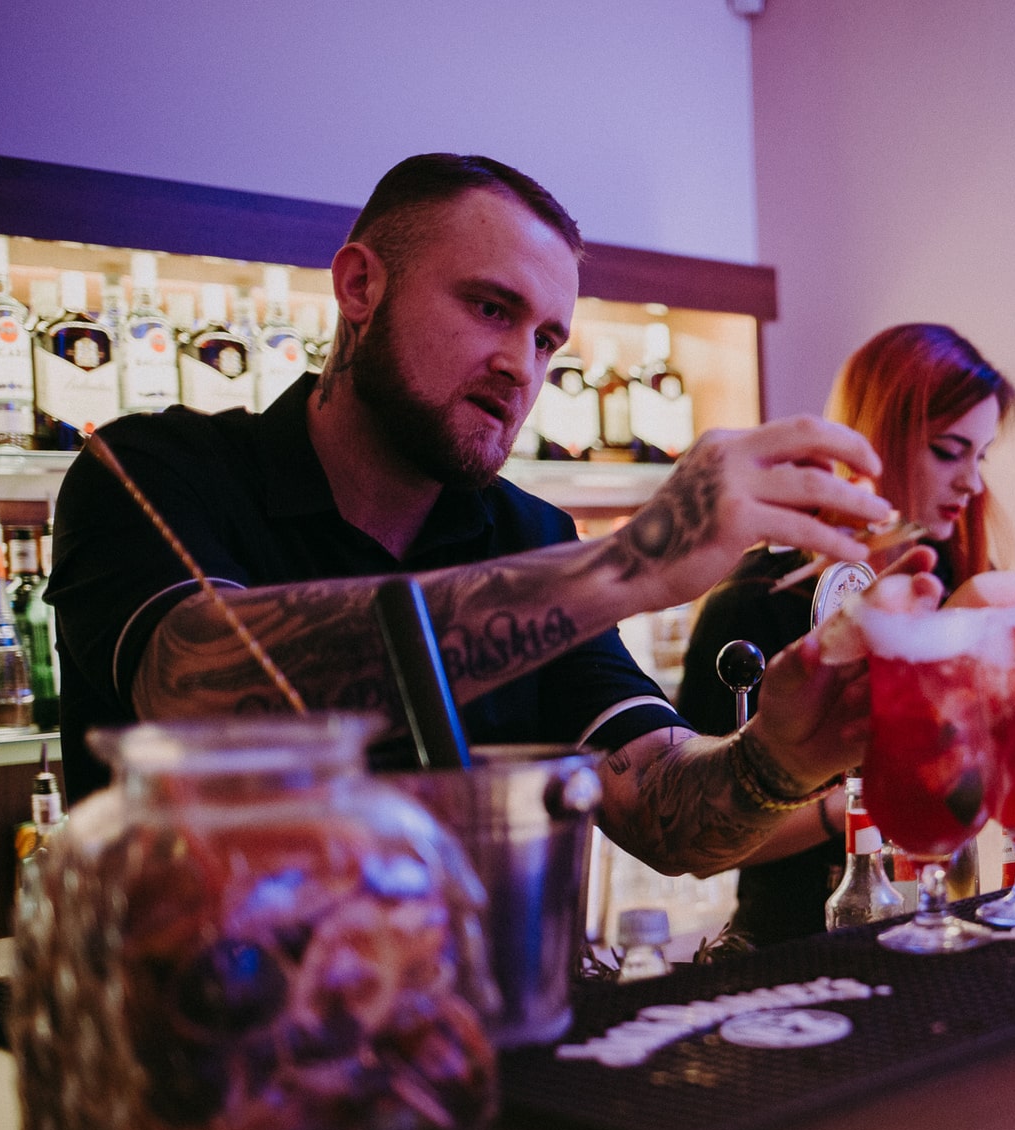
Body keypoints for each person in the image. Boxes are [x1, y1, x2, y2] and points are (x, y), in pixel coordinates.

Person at [47, 153, 897, 877]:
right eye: (492, 308)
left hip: (476, 1008)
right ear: (360, 286)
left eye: (546, 340)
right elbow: (197, 688)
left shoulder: (529, 536)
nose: (520, 366)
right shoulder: (155, 471)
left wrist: (785, 758)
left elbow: (655, 805)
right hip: (206, 1010)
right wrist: (630, 564)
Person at [676, 323, 1015, 945]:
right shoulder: (757, 602)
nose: (972, 482)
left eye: (981, 455)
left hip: (943, 925)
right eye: (949, 451)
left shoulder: (956, 579)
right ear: (876, 439)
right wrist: (865, 799)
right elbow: (697, 842)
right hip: (795, 951)